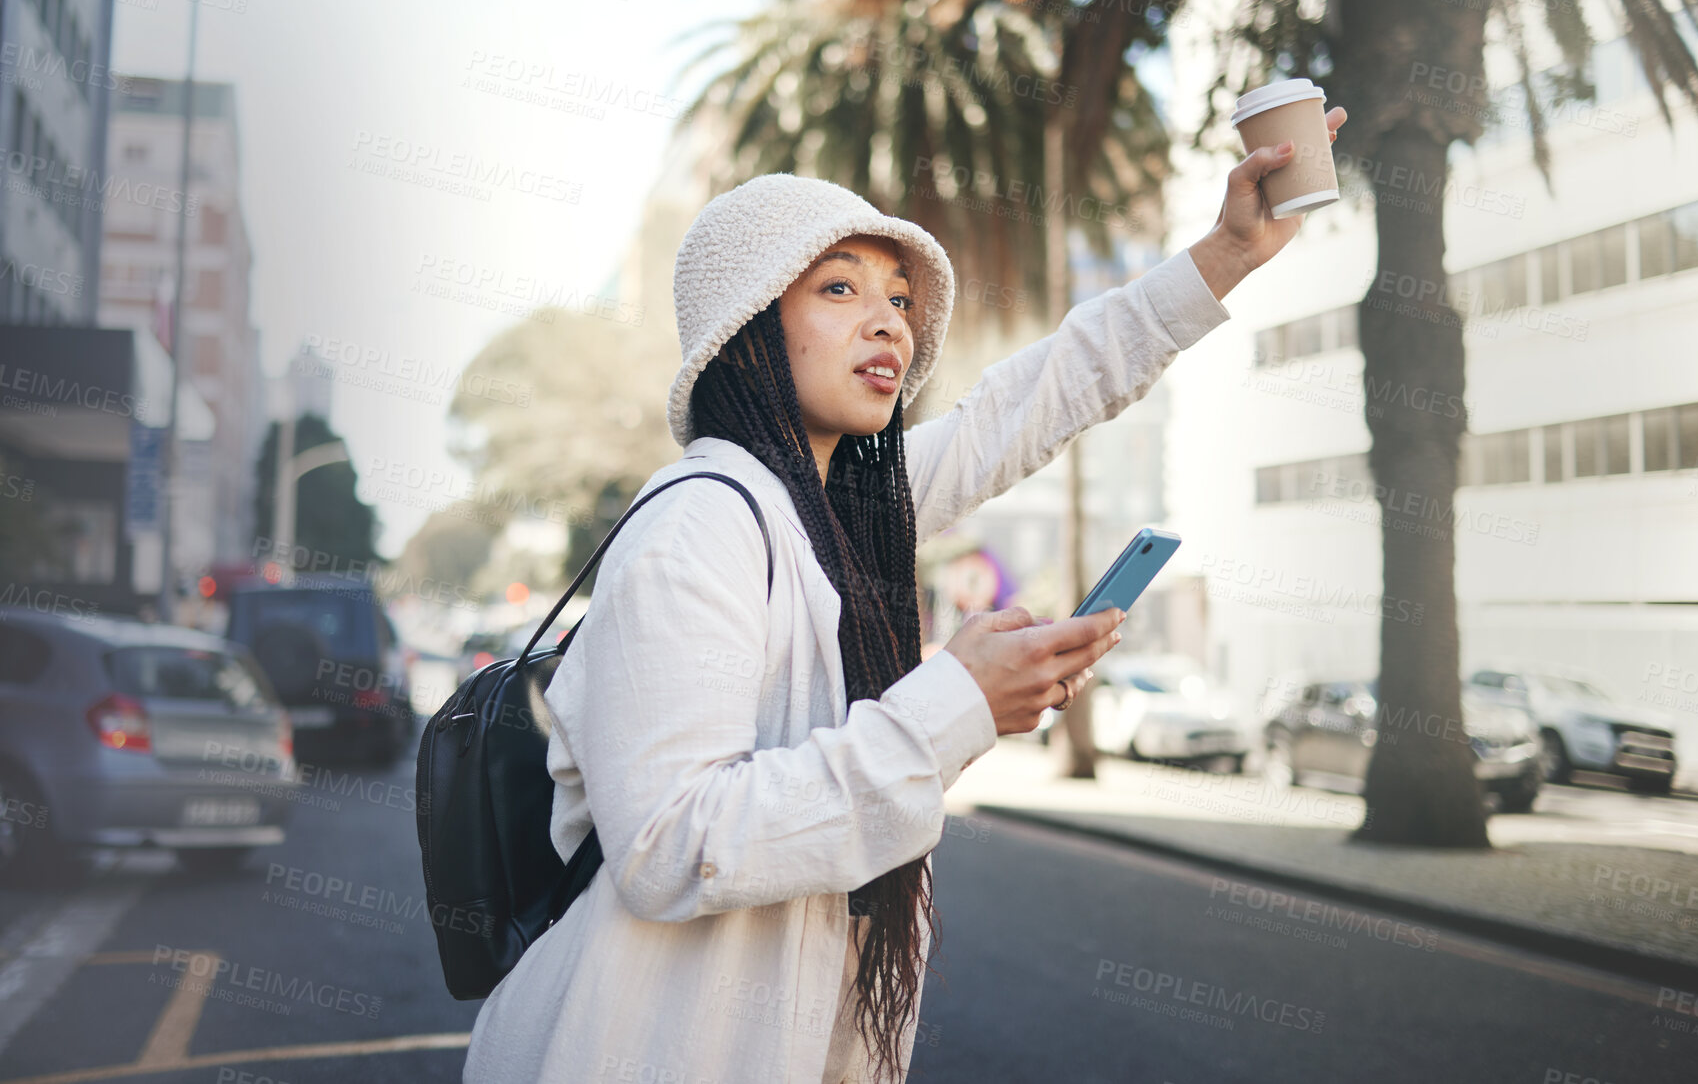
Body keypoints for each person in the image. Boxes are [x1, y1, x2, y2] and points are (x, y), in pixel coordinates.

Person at [463, 108, 1348, 1084]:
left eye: (895, 296)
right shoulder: (697, 523)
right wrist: (956, 703)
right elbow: (675, 844)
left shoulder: (838, 511)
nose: (889, 320)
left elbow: (1035, 398)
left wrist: (1225, 253)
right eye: (837, 287)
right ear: (745, 330)